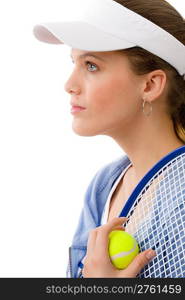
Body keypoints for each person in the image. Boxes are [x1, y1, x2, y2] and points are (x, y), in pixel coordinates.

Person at [33, 0, 185, 278]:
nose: (69, 85)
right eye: (74, 63)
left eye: (91, 66)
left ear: (150, 85)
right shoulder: (104, 186)